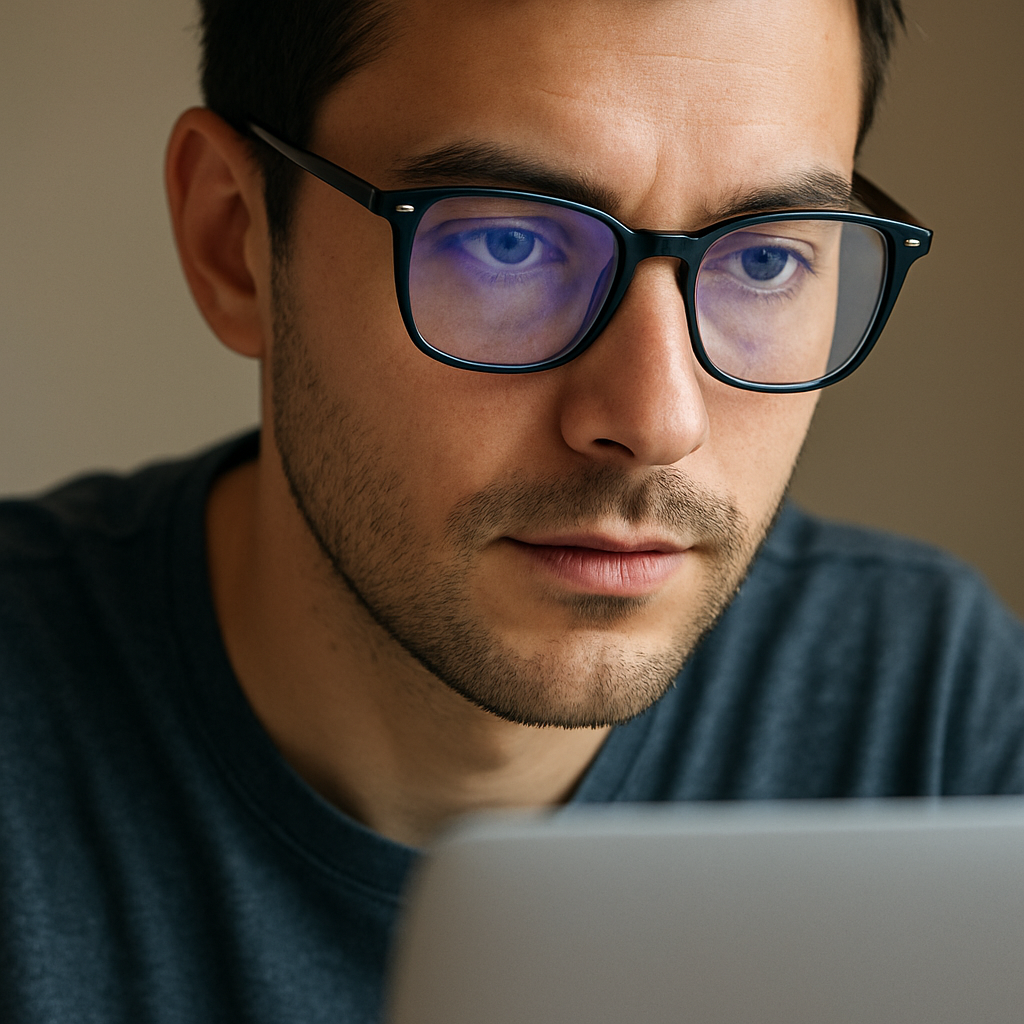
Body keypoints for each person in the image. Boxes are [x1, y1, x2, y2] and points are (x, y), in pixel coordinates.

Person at [1, 0, 1022, 1021]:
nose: (656, 421)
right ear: (235, 239)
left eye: (764, 260)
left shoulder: (932, 715)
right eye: (507, 244)